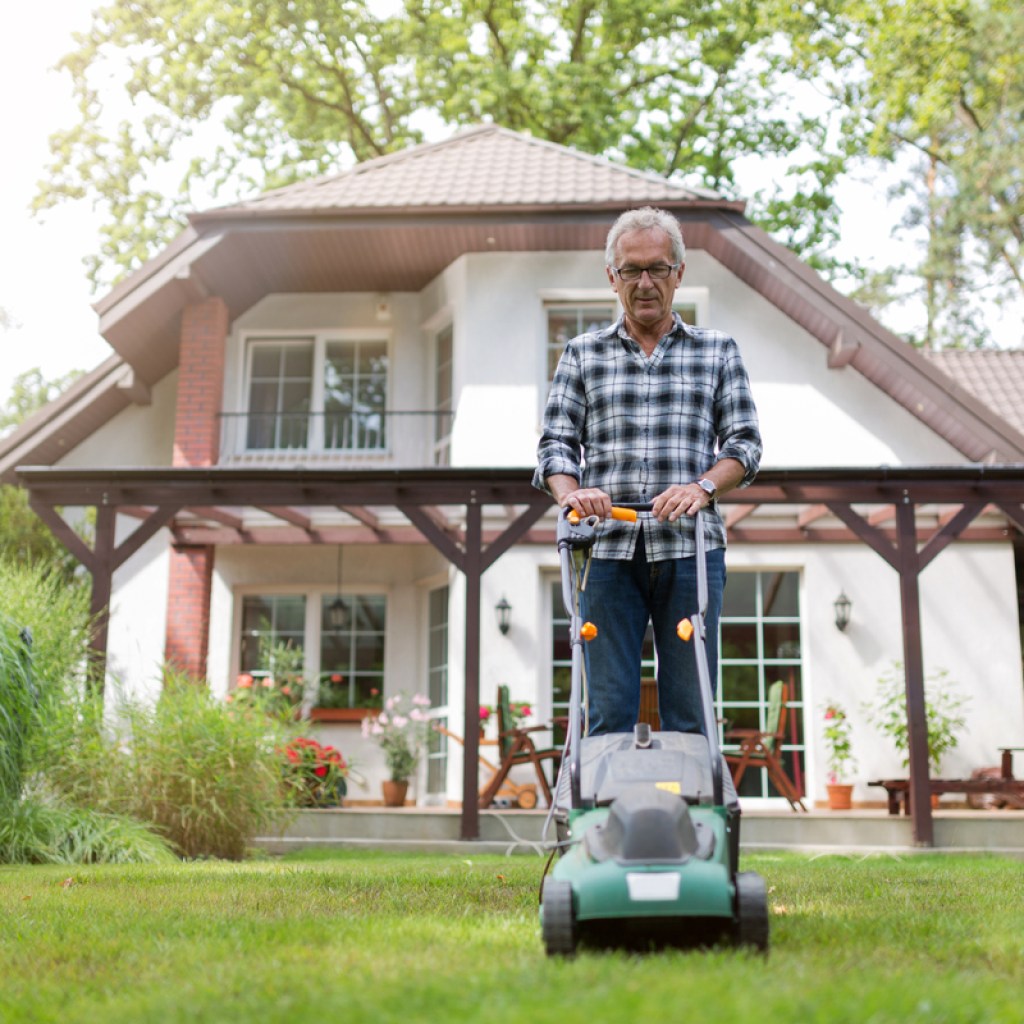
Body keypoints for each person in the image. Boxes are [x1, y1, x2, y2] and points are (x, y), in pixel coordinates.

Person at [534, 206, 762, 735]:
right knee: (608, 710)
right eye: (631, 270)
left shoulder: (718, 351)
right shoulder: (581, 355)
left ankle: (692, 816)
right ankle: (605, 816)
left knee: (692, 705)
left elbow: (744, 445)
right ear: (611, 277)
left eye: (657, 269)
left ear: (678, 273)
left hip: (691, 552)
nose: (644, 283)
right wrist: (573, 496)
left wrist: (702, 487)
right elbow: (555, 449)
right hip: (604, 552)